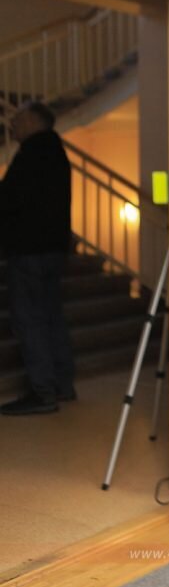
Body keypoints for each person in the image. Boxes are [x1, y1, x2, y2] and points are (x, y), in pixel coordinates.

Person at [0, 101, 75, 415]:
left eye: (17, 119)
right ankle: (62, 384)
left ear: (33, 121)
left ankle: (43, 391)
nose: (12, 125)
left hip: (29, 249)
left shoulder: (32, 154)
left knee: (30, 318)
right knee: (50, 315)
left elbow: (10, 199)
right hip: (53, 248)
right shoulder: (56, 153)